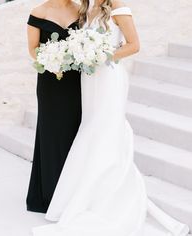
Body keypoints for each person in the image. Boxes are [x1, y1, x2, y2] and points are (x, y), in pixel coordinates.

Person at [30, 0, 190, 235]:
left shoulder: (118, 7)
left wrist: (102, 55)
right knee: (91, 129)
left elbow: (134, 45)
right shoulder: (86, 10)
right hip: (89, 79)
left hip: (109, 77)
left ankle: (109, 196)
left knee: (106, 130)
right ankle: (87, 194)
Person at [26, 0, 82, 213]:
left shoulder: (81, 10)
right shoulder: (39, 12)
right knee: (50, 135)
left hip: (77, 83)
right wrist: (53, 60)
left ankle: (73, 193)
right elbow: (33, 49)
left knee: (75, 133)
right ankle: (49, 195)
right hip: (51, 82)